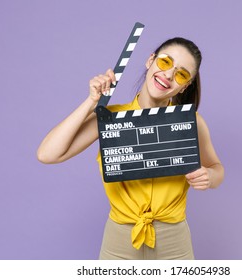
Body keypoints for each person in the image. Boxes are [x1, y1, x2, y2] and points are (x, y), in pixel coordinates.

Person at [37, 37, 224, 260]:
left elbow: (216, 168)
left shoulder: (190, 120)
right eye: (165, 63)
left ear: (186, 85)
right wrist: (91, 102)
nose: (168, 75)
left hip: (174, 240)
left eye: (181, 74)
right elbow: (47, 154)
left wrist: (210, 176)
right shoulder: (110, 118)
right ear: (150, 61)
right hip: (119, 239)